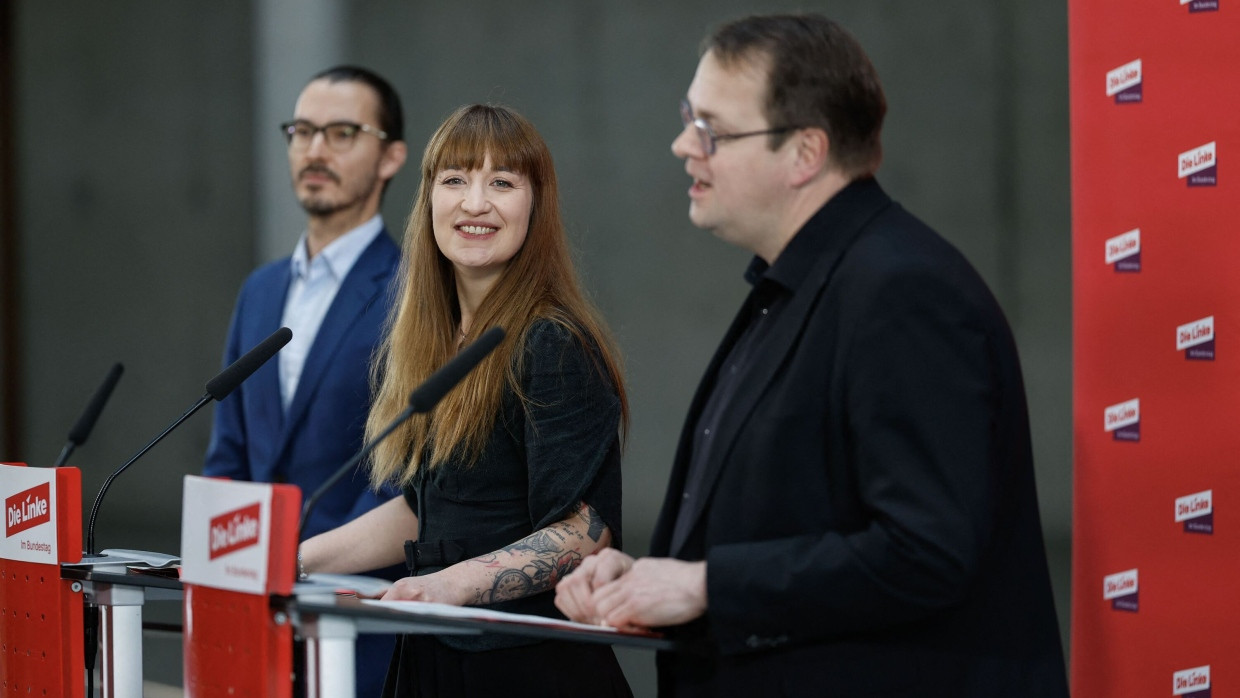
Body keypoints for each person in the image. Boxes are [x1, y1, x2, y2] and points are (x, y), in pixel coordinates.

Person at [555, 13, 1069, 697]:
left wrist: (705, 584)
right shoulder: (799, 286)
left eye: (711, 128)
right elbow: (792, 523)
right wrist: (655, 579)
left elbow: (926, 551)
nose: (683, 145)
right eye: (688, 118)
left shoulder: (903, 291)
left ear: (805, 153)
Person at [299, 104, 633, 698]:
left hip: (525, 665)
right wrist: (293, 558)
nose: (474, 203)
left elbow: (587, 530)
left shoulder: (550, 341)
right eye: (454, 180)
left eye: (501, 183)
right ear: (429, 200)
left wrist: (447, 585)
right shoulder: (439, 340)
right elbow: (434, 508)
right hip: (437, 648)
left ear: (536, 205)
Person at [203, 65, 409, 698]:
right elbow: (230, 455)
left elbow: (405, 476)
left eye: (343, 132)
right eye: (302, 131)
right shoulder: (260, 291)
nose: (315, 149)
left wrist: (304, 566)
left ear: (391, 157)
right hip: (249, 619)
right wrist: (230, 567)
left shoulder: (414, 294)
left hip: (357, 619)